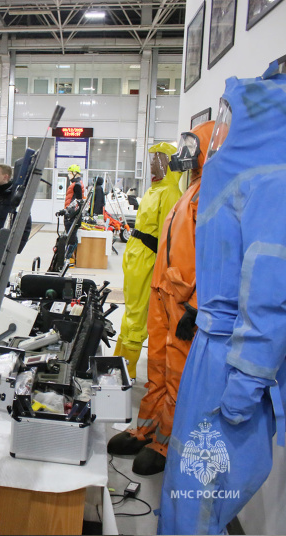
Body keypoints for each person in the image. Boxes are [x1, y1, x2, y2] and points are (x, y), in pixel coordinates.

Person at [158, 66, 286, 536]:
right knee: (186, 485)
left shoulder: (273, 184)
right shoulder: (255, 179)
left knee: (200, 495)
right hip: (212, 351)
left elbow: (271, 298)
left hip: (230, 359)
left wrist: (246, 385)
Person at [108, 121, 214, 476]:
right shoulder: (190, 191)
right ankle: (147, 427)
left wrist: (197, 305)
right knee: (157, 366)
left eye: (193, 147)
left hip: (184, 302)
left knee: (177, 371)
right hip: (163, 294)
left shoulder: (210, 197)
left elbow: (217, 257)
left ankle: (166, 442)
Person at [113, 143, 182, 379]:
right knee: (130, 312)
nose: (153, 164)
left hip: (148, 263)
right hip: (136, 260)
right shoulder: (155, 189)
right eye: (153, 159)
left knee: (137, 316)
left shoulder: (170, 193)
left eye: (159, 159)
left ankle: (125, 370)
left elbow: (167, 239)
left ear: (170, 165)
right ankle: (116, 363)